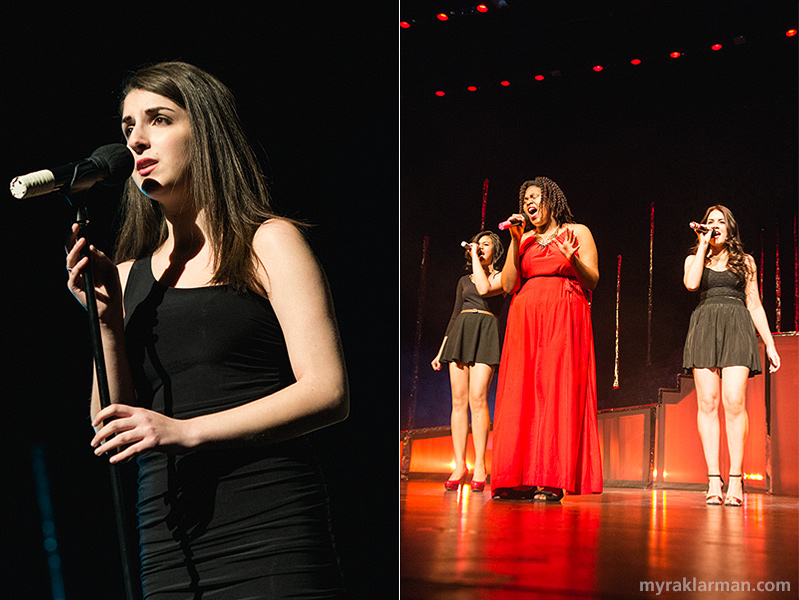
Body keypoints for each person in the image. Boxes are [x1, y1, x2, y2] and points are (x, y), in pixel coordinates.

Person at [65, 62, 349, 598]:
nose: (137, 139)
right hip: (171, 535)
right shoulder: (125, 275)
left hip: (272, 527)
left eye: (160, 119)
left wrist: (185, 431)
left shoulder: (268, 243)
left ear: (208, 131)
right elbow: (110, 424)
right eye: (128, 126)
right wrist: (104, 322)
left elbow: (328, 391)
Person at [491, 176, 603, 502]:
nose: (529, 202)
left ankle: (550, 477)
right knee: (521, 390)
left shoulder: (578, 232)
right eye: (525, 198)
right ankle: (517, 478)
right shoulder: (523, 239)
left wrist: (572, 259)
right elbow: (510, 284)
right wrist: (514, 241)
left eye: (536, 196)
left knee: (553, 388)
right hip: (525, 315)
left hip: (563, 313)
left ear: (551, 200)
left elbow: (593, 280)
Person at [683, 205, 780, 507]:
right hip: (705, 327)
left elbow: (754, 304)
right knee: (707, 404)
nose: (714, 226)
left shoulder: (745, 261)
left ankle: (736, 479)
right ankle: (714, 478)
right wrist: (701, 245)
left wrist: (771, 345)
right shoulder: (694, 257)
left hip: (737, 326)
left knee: (734, 402)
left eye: (720, 222)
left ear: (730, 228)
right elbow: (691, 283)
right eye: (709, 222)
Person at [431, 231, 505, 492]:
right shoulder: (463, 280)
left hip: (485, 332)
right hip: (460, 333)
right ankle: (460, 465)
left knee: (477, 398)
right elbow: (453, 316)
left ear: (496, 249)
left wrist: (476, 257)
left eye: (486, 244)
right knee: (458, 400)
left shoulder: (500, 276)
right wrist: (441, 350)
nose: (481, 247)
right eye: (478, 245)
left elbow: (487, 289)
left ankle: (481, 465)